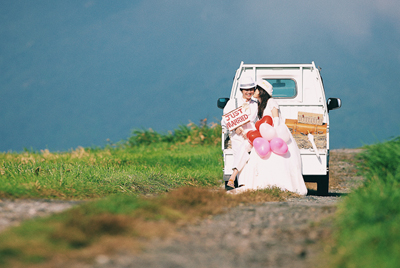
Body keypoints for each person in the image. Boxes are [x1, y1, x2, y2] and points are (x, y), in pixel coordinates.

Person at [236, 79, 308, 195]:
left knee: (278, 160)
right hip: (265, 135)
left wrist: (274, 132)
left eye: (256, 89)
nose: (254, 91)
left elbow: (276, 118)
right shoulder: (260, 105)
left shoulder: (271, 102)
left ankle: (280, 184)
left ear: (262, 91)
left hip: (274, 134)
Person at [221, 74, 258, 190]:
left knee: (246, 154)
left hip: (251, 135)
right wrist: (234, 127)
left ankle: (234, 179)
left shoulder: (256, 104)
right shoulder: (233, 103)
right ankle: (243, 185)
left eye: (251, 89)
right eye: (246, 89)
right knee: (242, 156)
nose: (249, 92)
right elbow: (225, 120)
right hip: (237, 135)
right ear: (242, 90)